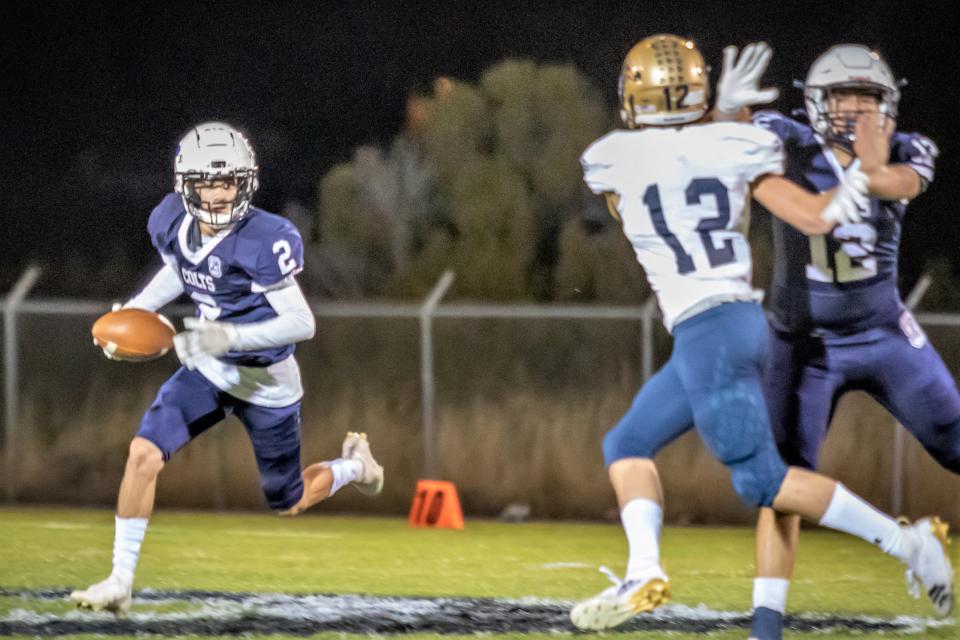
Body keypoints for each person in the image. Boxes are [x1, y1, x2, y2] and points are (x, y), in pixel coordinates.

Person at [569, 35, 952, 631]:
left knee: (766, 483)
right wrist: (849, 179)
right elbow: (815, 215)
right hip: (737, 324)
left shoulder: (610, 156)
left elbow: (640, 190)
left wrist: (716, 115)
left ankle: (908, 545)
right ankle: (644, 568)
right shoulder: (733, 146)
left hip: (708, 331)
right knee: (625, 445)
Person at [70, 122, 385, 616]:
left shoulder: (265, 238)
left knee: (289, 500)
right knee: (143, 454)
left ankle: (355, 466)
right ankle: (120, 581)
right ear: (185, 185)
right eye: (207, 184)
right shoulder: (170, 221)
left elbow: (302, 323)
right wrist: (135, 311)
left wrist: (229, 335)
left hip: (266, 382)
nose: (218, 196)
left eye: (228, 183)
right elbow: (182, 269)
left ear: (246, 182)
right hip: (209, 370)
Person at [748, 45, 957, 640]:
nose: (860, 111)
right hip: (801, 343)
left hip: (883, 333)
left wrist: (869, 169)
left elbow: (900, 183)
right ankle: (765, 630)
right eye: (847, 98)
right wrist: (729, 113)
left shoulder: (905, 148)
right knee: (780, 487)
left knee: (956, 442)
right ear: (817, 103)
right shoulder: (785, 139)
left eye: (871, 99)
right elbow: (732, 139)